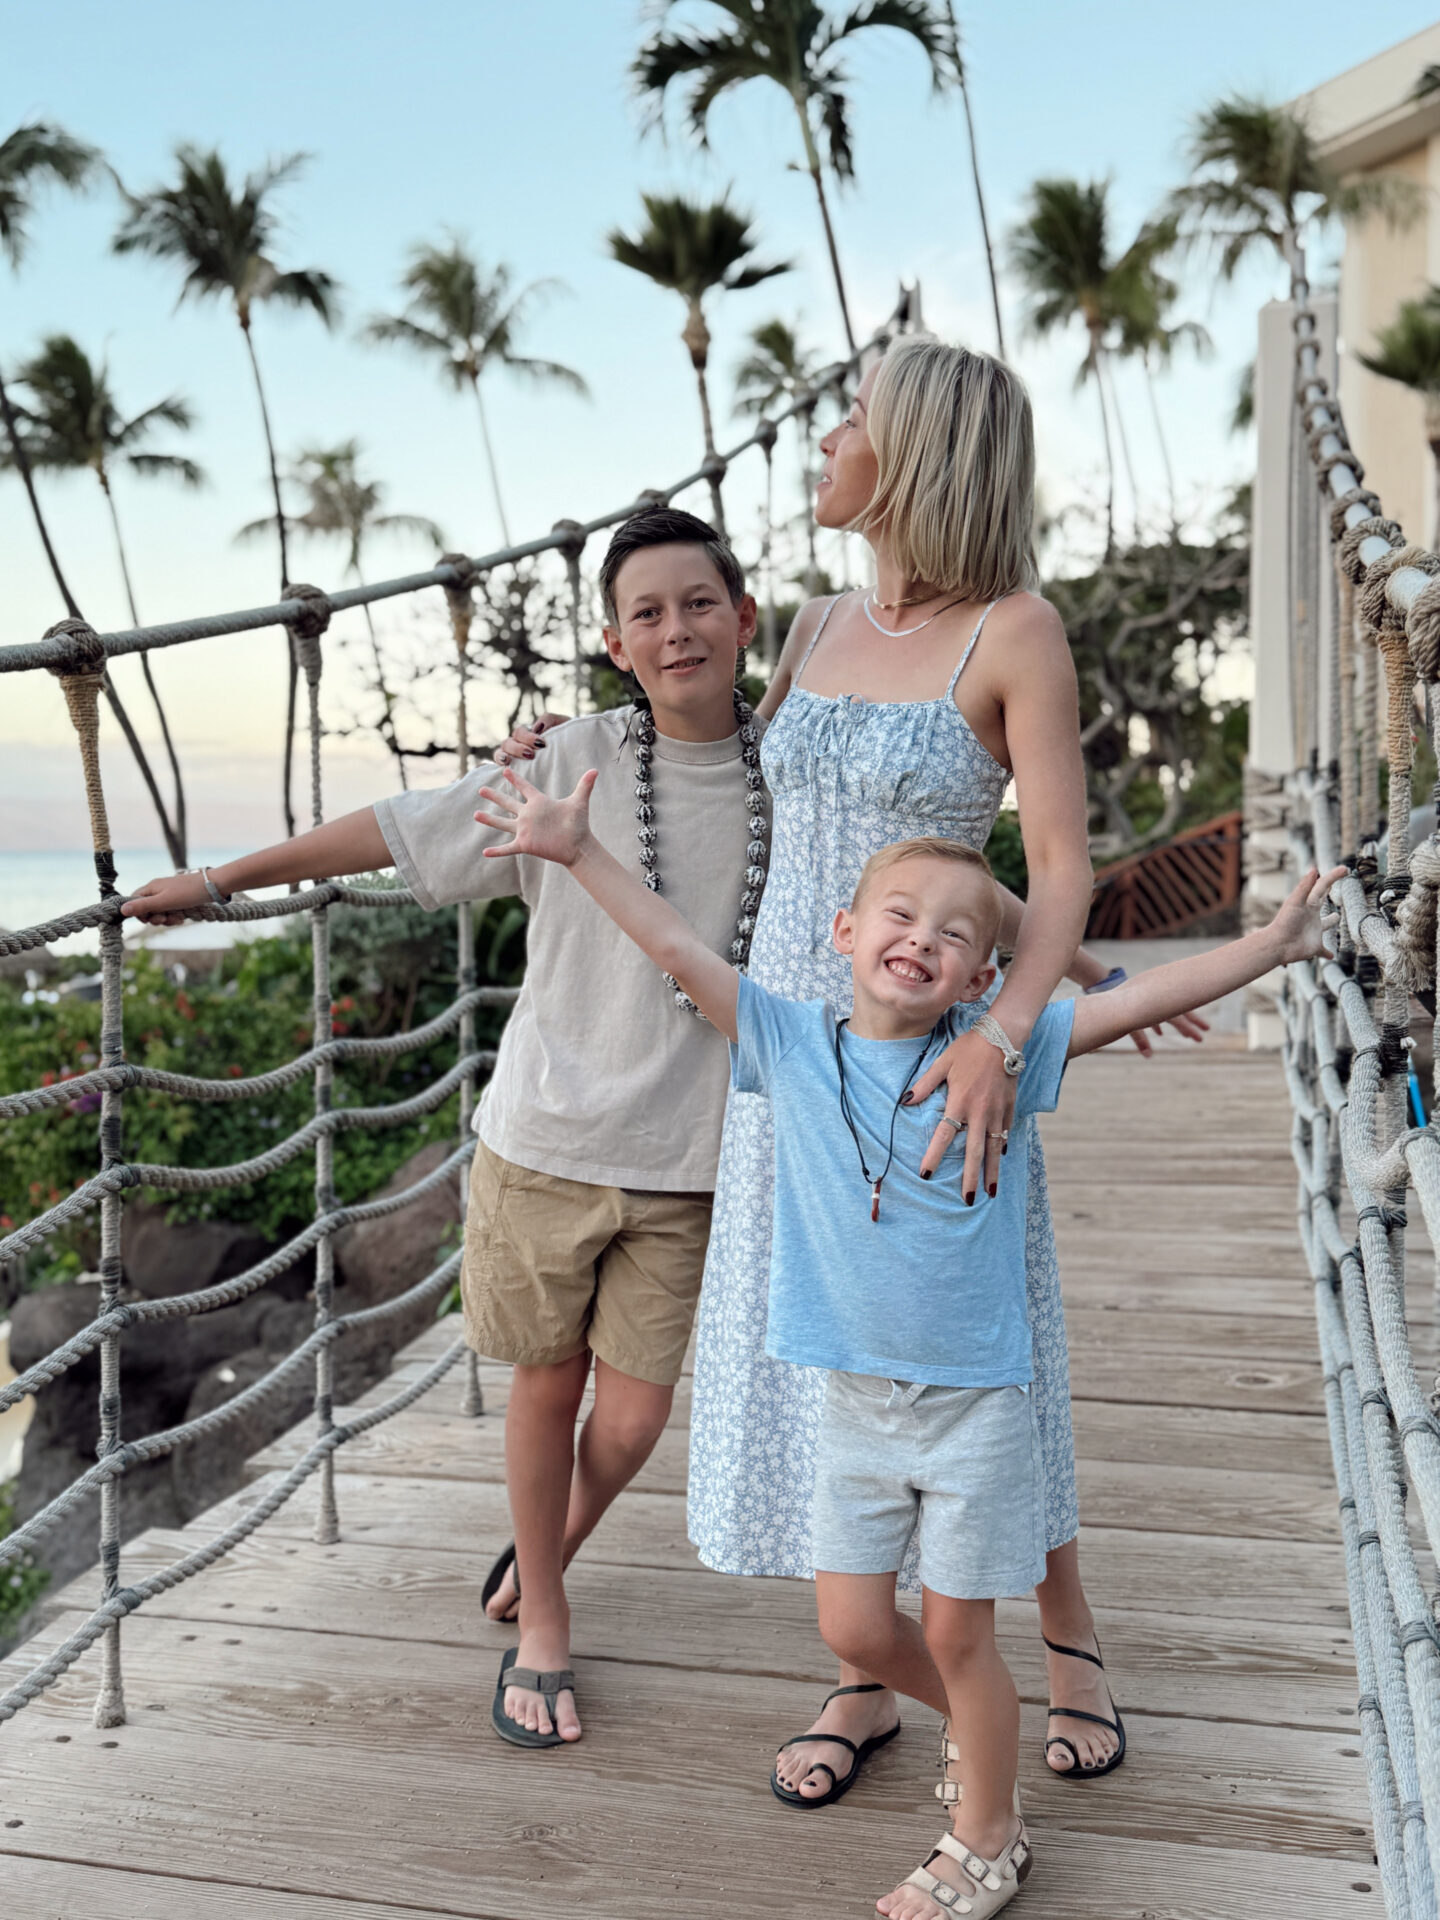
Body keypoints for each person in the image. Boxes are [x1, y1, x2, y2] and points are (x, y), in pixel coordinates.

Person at [499, 337, 1205, 1795]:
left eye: (852, 421)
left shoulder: (1015, 631)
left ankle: (1066, 1638)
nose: (824, 440)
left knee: (983, 1357)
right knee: (837, 1361)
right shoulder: (814, 621)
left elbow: (1055, 870)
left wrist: (1019, 1024)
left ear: (919, 453)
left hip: (948, 1064)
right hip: (792, 1063)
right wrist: (568, 745)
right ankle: (861, 1675)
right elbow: (730, 787)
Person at [473, 759, 1342, 1916]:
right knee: (852, 1624)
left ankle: (987, 1837)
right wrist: (577, 851)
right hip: (853, 1412)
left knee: (959, 1630)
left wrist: (1272, 946)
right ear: (840, 931)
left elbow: (1133, 1001)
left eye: (953, 935)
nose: (920, 941)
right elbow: (679, 950)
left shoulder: (1004, 1053)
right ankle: (982, 1738)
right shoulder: (787, 1042)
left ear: (986, 973)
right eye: (898, 916)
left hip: (975, 1407)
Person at [122, 505, 770, 1751]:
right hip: (545, 1138)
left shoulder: (795, 766)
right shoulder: (566, 757)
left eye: (700, 603)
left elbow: (920, 871)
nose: (677, 629)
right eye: (647, 612)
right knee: (546, 1385)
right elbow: (397, 827)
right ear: (614, 644)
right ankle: (545, 1622)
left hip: (693, 1155)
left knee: (632, 1422)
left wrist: (1061, 968)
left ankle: (547, 1546)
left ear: (744, 619)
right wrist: (218, 883)